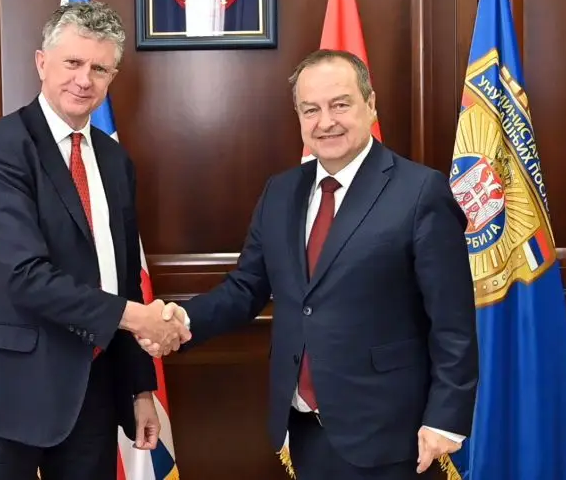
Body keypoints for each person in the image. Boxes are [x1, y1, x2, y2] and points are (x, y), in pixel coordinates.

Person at [143, 50, 479, 480]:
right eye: (311, 109)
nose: (326, 122)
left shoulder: (420, 191)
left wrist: (445, 419)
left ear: (370, 104)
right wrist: (183, 320)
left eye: (340, 104)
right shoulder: (281, 191)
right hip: (305, 428)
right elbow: (247, 286)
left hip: (391, 432)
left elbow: (452, 319)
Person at [0, 1, 190, 480]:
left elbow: (124, 278)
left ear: (112, 76)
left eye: (99, 68)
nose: (84, 80)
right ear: (42, 62)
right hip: (7, 391)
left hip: (91, 390)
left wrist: (139, 390)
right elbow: (23, 276)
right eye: (73, 62)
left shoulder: (115, 161)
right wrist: (138, 319)